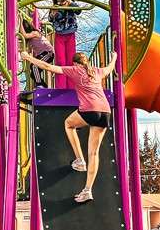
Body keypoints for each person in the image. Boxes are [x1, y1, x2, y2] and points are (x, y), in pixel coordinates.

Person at [21, 50, 116, 203]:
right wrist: (114, 57)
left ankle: (79, 160)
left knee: (68, 124)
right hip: (105, 112)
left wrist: (28, 57)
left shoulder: (75, 70)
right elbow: (110, 68)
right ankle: (87, 190)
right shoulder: (97, 71)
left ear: (76, 63)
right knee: (94, 154)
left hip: (90, 109)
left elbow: (48, 66)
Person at [47, 0, 79, 83]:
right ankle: (61, 86)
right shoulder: (55, 6)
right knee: (60, 61)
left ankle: (71, 86)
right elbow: (51, 19)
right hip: (59, 35)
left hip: (70, 34)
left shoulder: (71, 4)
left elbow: (78, 11)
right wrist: (53, 13)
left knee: (70, 60)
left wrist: (70, 2)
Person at [20, 19, 55, 89]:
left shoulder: (35, 32)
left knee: (34, 66)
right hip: (41, 55)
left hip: (48, 53)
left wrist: (20, 23)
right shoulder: (30, 41)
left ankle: (39, 85)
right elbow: (29, 50)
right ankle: (44, 87)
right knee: (33, 74)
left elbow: (25, 35)